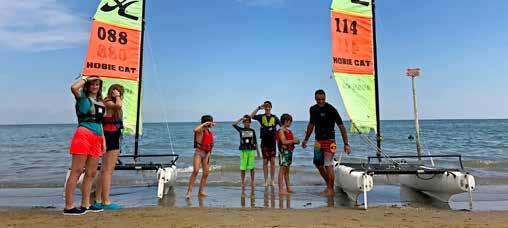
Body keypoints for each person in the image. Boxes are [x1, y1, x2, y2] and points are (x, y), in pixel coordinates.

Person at [65, 76, 106, 215]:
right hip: (83, 135)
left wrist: (103, 142)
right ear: (88, 86)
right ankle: (69, 207)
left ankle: (85, 204)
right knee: (76, 171)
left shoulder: (101, 103)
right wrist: (86, 78)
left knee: (91, 173)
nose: (95, 86)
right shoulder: (82, 98)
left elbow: (100, 123)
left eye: (97, 84)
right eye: (92, 84)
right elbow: (73, 88)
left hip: (97, 138)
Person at [301, 89, 351, 196]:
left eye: (322, 99)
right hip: (318, 141)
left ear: (325, 98)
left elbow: (341, 127)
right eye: (318, 99)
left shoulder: (331, 109)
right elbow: (311, 125)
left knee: (328, 164)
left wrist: (346, 143)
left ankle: (330, 189)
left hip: (330, 141)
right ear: (315, 99)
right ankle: (329, 185)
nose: (320, 101)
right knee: (318, 164)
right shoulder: (313, 109)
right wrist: (306, 139)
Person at [93, 84, 124, 210]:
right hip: (109, 135)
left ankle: (98, 199)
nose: (118, 94)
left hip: (113, 134)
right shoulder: (108, 101)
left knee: (104, 170)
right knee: (108, 170)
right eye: (116, 91)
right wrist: (117, 96)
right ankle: (106, 201)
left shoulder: (111, 102)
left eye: (119, 92)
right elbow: (118, 106)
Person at [251, 101, 280, 187]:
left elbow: (282, 126)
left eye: (268, 106)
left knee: (273, 162)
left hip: (272, 143)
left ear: (271, 107)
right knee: (265, 162)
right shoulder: (261, 117)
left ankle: (272, 181)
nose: (267, 108)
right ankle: (266, 180)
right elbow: (251, 116)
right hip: (264, 143)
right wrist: (259, 107)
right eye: (266, 106)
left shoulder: (275, 118)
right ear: (264, 107)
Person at [186, 115, 215, 199]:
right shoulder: (200, 131)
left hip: (207, 154)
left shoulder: (209, 132)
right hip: (198, 153)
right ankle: (189, 192)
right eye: (210, 122)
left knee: (206, 173)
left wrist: (209, 155)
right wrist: (204, 124)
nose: (212, 124)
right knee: (195, 171)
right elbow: (194, 130)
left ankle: (200, 191)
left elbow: (210, 145)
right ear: (206, 122)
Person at [232, 115, 258, 189]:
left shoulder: (252, 131)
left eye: (248, 122)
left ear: (250, 122)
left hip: (251, 150)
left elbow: (255, 142)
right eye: (245, 122)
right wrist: (240, 119)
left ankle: (252, 181)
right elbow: (234, 125)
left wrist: (257, 149)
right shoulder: (241, 130)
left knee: (252, 167)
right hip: (243, 150)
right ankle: (243, 182)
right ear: (243, 123)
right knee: (243, 168)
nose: (247, 123)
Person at [276, 114, 299, 195]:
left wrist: (295, 141)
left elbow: (289, 141)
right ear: (286, 121)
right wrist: (293, 141)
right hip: (283, 152)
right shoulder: (281, 130)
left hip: (289, 152)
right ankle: (281, 189)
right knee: (282, 170)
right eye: (290, 122)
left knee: (287, 171)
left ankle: (288, 188)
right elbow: (283, 141)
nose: (290, 123)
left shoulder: (288, 131)